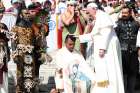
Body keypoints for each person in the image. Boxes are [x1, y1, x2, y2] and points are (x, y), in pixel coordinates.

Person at [77, 2, 125, 93]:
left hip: (107, 49)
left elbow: (106, 32)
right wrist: (79, 38)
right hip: (103, 49)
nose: (88, 14)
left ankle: (111, 90)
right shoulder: (98, 18)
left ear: (94, 9)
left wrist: (103, 48)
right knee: (103, 70)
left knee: (110, 70)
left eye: (88, 12)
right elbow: (93, 35)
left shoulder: (103, 16)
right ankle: (103, 89)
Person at [115, 6, 140, 93]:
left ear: (130, 13)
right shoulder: (118, 23)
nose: (124, 15)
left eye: (126, 13)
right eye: (123, 13)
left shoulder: (135, 23)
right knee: (124, 73)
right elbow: (115, 37)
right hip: (122, 52)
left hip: (133, 52)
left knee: (133, 73)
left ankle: (131, 91)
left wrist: (134, 17)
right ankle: (124, 91)